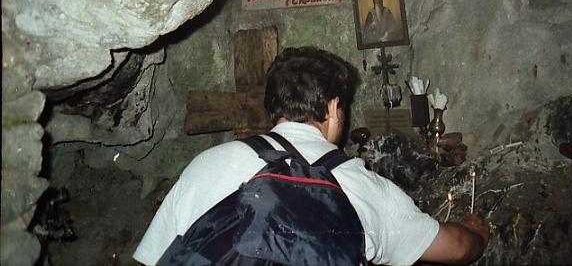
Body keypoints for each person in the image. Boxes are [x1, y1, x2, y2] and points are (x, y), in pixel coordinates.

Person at [134, 47, 490, 266]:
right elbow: (456, 249)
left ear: (275, 105)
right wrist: (477, 235)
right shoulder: (356, 183)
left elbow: (150, 258)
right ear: (334, 108)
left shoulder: (207, 165)